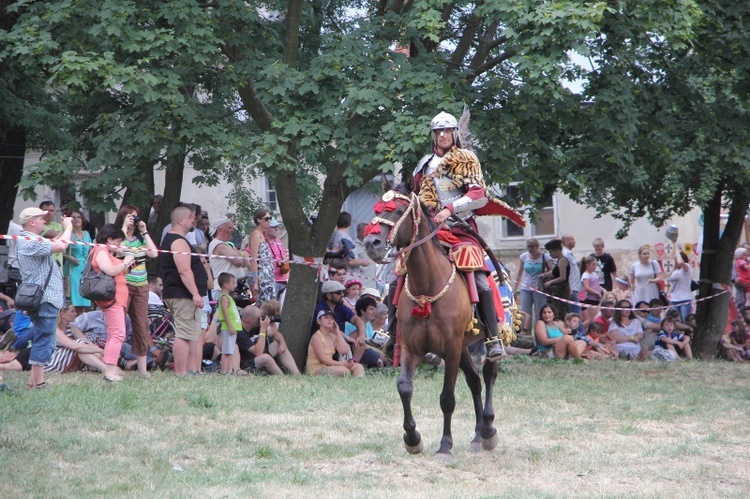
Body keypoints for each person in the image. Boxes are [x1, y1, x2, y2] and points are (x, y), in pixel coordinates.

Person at [412, 111, 525, 361]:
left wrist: (448, 209)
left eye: (448, 131)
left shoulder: (467, 160)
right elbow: (414, 196)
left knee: (482, 281)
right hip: (430, 232)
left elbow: (478, 195)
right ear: (433, 135)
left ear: (454, 134)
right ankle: (389, 333)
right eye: (438, 131)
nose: (443, 135)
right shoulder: (424, 164)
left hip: (461, 229)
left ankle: (493, 338)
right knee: (400, 270)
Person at [16, 207, 72, 389]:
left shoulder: (31, 240)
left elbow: (54, 242)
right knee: (45, 338)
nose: (44, 221)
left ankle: (32, 381)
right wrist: (68, 228)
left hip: (41, 298)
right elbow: (60, 246)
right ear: (32, 222)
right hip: (44, 298)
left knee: (43, 336)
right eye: (41, 219)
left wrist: (63, 232)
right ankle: (39, 383)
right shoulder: (28, 241)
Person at [160, 205, 209, 376]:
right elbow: (184, 270)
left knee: (192, 334)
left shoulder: (179, 239)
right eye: (190, 217)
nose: (193, 219)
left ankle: (192, 370)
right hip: (182, 294)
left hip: (185, 295)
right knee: (183, 333)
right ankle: (181, 372)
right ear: (181, 220)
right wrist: (195, 293)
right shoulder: (178, 241)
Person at [115, 205, 159, 378]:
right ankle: (113, 362)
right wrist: (124, 228)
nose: (134, 220)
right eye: (130, 216)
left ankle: (142, 370)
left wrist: (144, 231)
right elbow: (117, 249)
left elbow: (154, 253)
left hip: (141, 286)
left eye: (136, 217)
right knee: (118, 325)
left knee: (141, 327)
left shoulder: (140, 240)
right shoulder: (117, 235)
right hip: (123, 285)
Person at [91, 224, 135, 382]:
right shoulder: (101, 251)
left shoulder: (108, 251)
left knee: (114, 334)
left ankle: (111, 369)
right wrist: (125, 263)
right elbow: (109, 270)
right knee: (117, 334)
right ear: (109, 239)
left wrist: (122, 253)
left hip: (117, 300)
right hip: (112, 300)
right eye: (117, 242)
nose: (119, 245)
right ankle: (110, 371)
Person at [311, 280, 372, 364]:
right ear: (329, 295)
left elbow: (357, 320)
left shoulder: (341, 307)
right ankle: (350, 364)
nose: (342, 295)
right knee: (373, 356)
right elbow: (331, 328)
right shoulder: (320, 309)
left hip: (340, 340)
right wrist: (348, 338)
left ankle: (354, 362)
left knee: (361, 338)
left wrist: (361, 335)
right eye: (339, 293)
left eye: (343, 292)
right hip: (326, 342)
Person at [45, 303, 107, 373]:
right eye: (72, 311)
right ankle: (105, 368)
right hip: (54, 362)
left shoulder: (71, 327)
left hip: (67, 359)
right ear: (62, 314)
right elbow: (74, 346)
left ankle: (106, 365)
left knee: (89, 337)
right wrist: (100, 350)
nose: (75, 314)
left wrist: (101, 353)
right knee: (78, 343)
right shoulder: (55, 330)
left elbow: (87, 341)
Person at [235, 305, 296, 374]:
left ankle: (297, 375)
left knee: (277, 344)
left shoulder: (254, 325)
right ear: (250, 320)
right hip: (245, 363)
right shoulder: (239, 332)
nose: (261, 320)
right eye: (259, 318)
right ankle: (284, 379)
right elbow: (258, 352)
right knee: (266, 358)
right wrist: (263, 329)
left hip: (254, 357)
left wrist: (282, 343)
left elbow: (275, 333)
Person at [306, 309, 365, 377]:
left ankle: (357, 383)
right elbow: (323, 359)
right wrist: (342, 364)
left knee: (358, 366)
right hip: (316, 369)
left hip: (331, 367)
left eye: (331, 318)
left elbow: (344, 351)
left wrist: (337, 332)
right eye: (326, 318)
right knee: (344, 371)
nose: (329, 320)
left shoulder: (333, 336)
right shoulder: (316, 337)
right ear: (319, 321)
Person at [514, 237, 551, 331]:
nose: (530, 249)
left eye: (532, 246)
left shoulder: (544, 256)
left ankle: (540, 332)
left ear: (537, 246)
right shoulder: (524, 256)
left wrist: (544, 275)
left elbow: (552, 270)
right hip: (526, 287)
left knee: (540, 312)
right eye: (528, 246)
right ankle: (526, 333)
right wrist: (515, 289)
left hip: (539, 288)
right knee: (525, 312)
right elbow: (519, 273)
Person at [246, 209, 276, 307]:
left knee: (271, 305)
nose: (269, 222)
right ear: (259, 220)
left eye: (270, 219)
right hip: (262, 278)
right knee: (265, 306)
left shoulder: (262, 235)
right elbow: (254, 260)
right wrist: (256, 282)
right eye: (266, 219)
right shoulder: (255, 235)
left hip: (269, 277)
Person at [64, 210, 92, 314]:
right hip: (72, 268)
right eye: (73, 217)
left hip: (85, 268)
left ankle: (81, 323)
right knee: (74, 300)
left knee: (84, 299)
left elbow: (90, 252)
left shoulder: (87, 234)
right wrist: (69, 258)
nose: (76, 219)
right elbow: (60, 252)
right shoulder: (67, 234)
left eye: (78, 217)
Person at [216, 273, 241, 375]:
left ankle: (229, 370)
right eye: (232, 283)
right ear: (226, 285)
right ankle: (224, 371)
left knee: (230, 351)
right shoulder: (224, 297)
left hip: (233, 328)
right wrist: (230, 326)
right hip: (228, 328)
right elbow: (225, 312)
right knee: (227, 351)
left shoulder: (228, 297)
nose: (234, 285)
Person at [541, 239, 570, 321]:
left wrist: (550, 282)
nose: (550, 254)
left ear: (557, 250)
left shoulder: (562, 260)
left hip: (561, 290)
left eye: (551, 252)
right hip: (556, 291)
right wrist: (544, 275)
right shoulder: (558, 261)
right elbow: (554, 273)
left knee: (560, 312)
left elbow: (562, 277)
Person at [264, 217, 289, 301]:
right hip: (269, 281)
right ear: (266, 228)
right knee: (270, 306)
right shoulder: (260, 240)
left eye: (277, 226)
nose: (277, 229)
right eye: (273, 227)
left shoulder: (278, 241)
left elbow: (284, 257)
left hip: (282, 280)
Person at [667, 251, 694, 322]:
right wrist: (669, 293)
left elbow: (681, 263)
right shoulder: (675, 271)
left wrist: (678, 253)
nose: (676, 261)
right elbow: (673, 283)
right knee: (675, 321)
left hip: (684, 298)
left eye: (677, 259)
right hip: (674, 299)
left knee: (685, 320)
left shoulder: (686, 268)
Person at [354, 223, 378, 289]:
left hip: (373, 284)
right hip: (361, 285)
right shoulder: (353, 245)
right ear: (359, 231)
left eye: (369, 230)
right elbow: (351, 262)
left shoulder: (372, 245)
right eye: (366, 230)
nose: (368, 232)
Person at [580, 255, 603, 324]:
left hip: (596, 299)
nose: (595, 266)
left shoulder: (594, 274)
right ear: (587, 265)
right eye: (593, 265)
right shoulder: (585, 275)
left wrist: (602, 290)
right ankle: (585, 330)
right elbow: (586, 287)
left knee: (596, 317)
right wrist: (597, 293)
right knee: (592, 319)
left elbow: (596, 284)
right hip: (590, 299)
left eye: (596, 264)